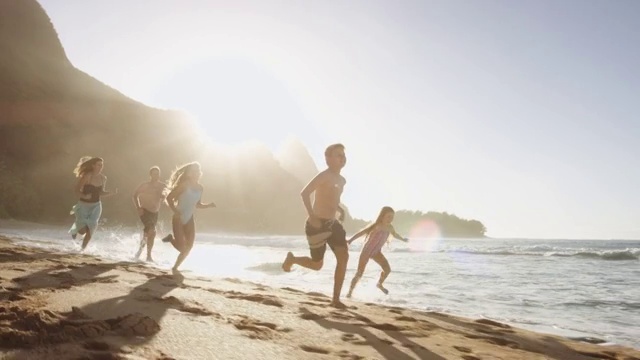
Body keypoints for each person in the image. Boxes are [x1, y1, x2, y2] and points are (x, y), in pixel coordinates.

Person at [282, 143, 349, 308]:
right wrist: (312, 216)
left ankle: (335, 300)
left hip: (333, 224)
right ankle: (293, 259)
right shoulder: (324, 175)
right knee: (317, 265)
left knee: (344, 258)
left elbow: (331, 197)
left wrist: (339, 209)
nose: (342, 157)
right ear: (328, 159)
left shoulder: (342, 180)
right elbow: (304, 193)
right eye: (338, 155)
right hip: (317, 225)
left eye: (343, 154)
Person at [161, 162, 215, 272]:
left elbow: (197, 205)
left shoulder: (200, 187)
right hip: (178, 218)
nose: (196, 173)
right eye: (194, 171)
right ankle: (171, 239)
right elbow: (169, 198)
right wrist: (175, 211)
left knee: (189, 247)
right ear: (189, 173)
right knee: (182, 247)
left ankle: (175, 267)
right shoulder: (184, 185)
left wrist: (208, 205)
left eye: (198, 171)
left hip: (189, 219)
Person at [345, 206, 408, 298]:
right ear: (382, 216)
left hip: (377, 252)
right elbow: (362, 233)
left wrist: (403, 239)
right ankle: (349, 292)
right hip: (366, 251)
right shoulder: (376, 225)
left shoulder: (390, 227)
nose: (390, 219)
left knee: (387, 269)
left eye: (392, 217)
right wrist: (350, 240)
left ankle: (379, 284)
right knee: (359, 273)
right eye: (388, 216)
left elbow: (395, 235)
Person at [69, 156, 117, 251]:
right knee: (82, 230)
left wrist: (111, 193)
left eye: (102, 165)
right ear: (93, 165)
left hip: (96, 206)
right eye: (98, 165)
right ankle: (75, 233)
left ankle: (82, 250)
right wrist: (84, 196)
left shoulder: (103, 178)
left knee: (91, 228)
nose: (101, 167)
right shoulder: (87, 176)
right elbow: (76, 189)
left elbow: (101, 193)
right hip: (83, 205)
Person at [132, 166, 167, 262]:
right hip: (144, 211)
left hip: (155, 213)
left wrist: (163, 197)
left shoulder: (162, 186)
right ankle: (148, 256)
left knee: (148, 233)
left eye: (158, 174)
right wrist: (138, 207)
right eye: (154, 174)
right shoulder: (145, 185)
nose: (156, 176)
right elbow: (135, 195)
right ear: (150, 175)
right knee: (152, 231)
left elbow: (167, 197)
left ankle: (141, 252)